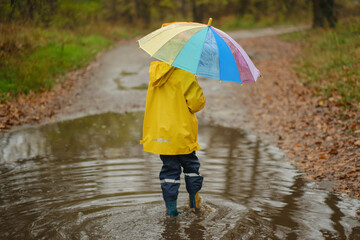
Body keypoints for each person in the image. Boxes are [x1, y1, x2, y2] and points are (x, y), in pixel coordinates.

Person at [140, 61, 206, 217]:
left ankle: (171, 210)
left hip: (162, 134)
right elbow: (196, 104)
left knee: (169, 170)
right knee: (191, 166)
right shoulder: (186, 73)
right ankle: (194, 203)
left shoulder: (155, 73)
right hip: (181, 133)